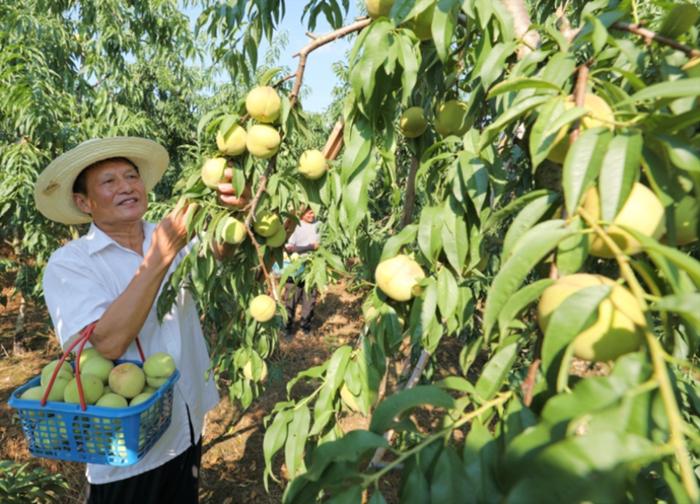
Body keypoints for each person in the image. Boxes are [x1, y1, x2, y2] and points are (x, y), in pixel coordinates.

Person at [33, 137, 246, 504]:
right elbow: (108, 343)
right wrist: (161, 255)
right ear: (84, 203)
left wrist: (234, 214)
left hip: (186, 424)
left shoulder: (167, 235)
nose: (126, 186)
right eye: (109, 181)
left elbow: (217, 253)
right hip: (125, 453)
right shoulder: (71, 263)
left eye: (131, 176)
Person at [283, 207, 320, 338]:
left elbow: (322, 245)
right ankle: (287, 328)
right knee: (290, 300)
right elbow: (289, 248)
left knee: (309, 301)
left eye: (313, 212)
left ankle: (305, 327)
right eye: (309, 212)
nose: (312, 215)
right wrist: (310, 247)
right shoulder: (295, 225)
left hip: (312, 269)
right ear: (302, 212)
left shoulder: (319, 225)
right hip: (295, 270)